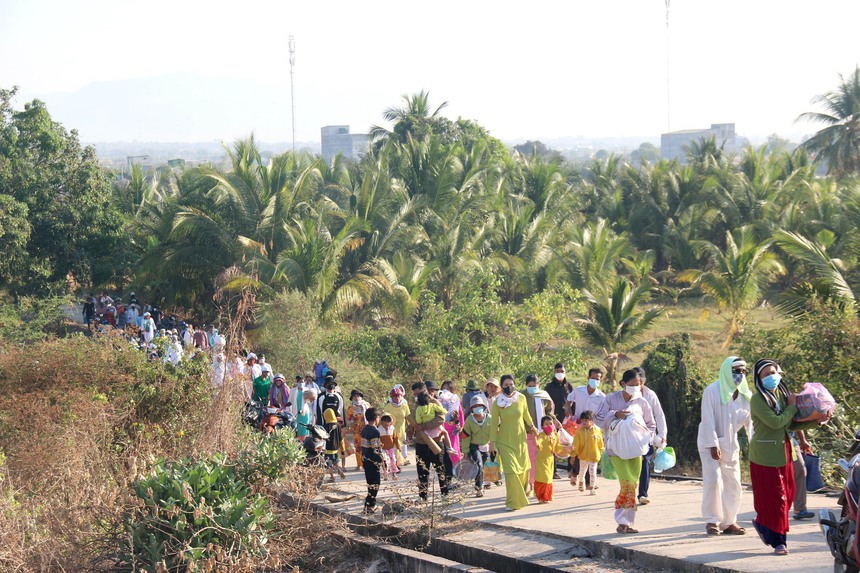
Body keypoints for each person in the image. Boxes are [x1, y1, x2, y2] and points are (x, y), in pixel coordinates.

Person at [749, 359, 831, 555]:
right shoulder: (757, 400)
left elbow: (790, 425)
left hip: (785, 452)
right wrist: (793, 406)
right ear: (759, 379)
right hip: (764, 456)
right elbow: (776, 422)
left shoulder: (781, 395)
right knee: (775, 498)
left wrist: (817, 422)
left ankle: (763, 525)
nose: (772, 376)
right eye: (767, 373)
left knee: (787, 496)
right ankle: (779, 541)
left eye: (775, 371)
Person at [596, 369, 656, 534]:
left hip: (636, 450)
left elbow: (651, 424)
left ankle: (627, 523)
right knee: (627, 484)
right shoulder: (610, 399)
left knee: (633, 485)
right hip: (616, 450)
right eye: (632, 385)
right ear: (623, 384)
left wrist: (646, 438)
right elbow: (598, 418)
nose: (636, 388)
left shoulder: (642, 402)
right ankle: (622, 522)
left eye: (638, 385)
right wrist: (615, 414)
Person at [698, 357, 753, 536]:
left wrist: (756, 446)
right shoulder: (712, 391)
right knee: (713, 481)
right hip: (709, 443)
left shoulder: (746, 396)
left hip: (731, 444)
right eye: (736, 371)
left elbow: (751, 425)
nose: (740, 375)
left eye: (743, 371)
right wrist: (713, 444)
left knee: (734, 483)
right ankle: (712, 521)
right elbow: (707, 419)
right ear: (726, 370)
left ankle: (729, 522)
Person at [489, 375, 538, 511]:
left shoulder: (521, 398)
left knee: (523, 469)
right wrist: (492, 443)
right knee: (511, 472)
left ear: (515, 384)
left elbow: (526, 414)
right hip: (504, 441)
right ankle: (513, 502)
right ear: (501, 386)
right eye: (505, 384)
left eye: (511, 384)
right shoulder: (498, 402)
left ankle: (520, 497)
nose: (508, 386)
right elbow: (494, 424)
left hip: (520, 440)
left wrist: (532, 426)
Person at [568, 367, 607, 486]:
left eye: (597, 379)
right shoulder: (579, 390)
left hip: (593, 429)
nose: (595, 380)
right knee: (577, 450)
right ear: (588, 377)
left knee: (591, 452)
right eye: (593, 378)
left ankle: (590, 481)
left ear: (601, 380)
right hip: (578, 426)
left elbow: (603, 412)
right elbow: (569, 400)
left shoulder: (601, 396)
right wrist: (569, 411)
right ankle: (574, 473)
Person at [635, 365, 667, 505]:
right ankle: (628, 490)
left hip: (647, 435)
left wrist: (663, 434)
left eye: (639, 382)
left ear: (644, 381)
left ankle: (642, 494)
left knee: (645, 462)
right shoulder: (624, 394)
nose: (637, 385)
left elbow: (659, 415)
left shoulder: (650, 395)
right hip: (629, 435)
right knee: (631, 463)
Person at [413, 389, 451, 500]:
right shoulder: (417, 405)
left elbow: (440, 419)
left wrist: (423, 426)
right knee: (422, 470)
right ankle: (423, 495)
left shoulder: (435, 403)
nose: (416, 396)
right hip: (421, 442)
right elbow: (415, 421)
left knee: (440, 468)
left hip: (436, 441)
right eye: (415, 394)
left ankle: (444, 493)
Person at [523, 374, 554, 496]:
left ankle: (539, 486)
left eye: (534, 385)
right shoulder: (522, 396)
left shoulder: (544, 396)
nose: (532, 388)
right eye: (530, 386)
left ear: (538, 384)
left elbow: (549, 412)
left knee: (541, 461)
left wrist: (553, 423)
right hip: (528, 433)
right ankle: (529, 485)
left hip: (544, 433)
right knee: (530, 460)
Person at [461, 396, 493, 497]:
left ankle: (486, 481)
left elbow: (496, 432)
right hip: (475, 447)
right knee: (478, 464)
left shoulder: (490, 419)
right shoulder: (469, 420)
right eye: (475, 406)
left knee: (484, 466)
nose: (477, 408)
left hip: (487, 446)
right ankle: (479, 487)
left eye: (479, 406)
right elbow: (465, 436)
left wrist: (495, 445)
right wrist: (465, 451)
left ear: (483, 407)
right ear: (471, 409)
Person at [545, 363, 573, 479]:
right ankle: (553, 470)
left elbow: (572, 401)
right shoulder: (549, 387)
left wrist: (571, 412)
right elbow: (546, 404)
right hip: (553, 419)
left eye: (561, 370)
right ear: (554, 372)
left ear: (565, 371)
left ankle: (571, 470)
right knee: (553, 444)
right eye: (557, 371)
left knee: (568, 443)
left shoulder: (569, 386)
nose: (559, 373)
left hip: (566, 420)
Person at [573, 410, 604, 494]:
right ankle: (581, 482)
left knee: (593, 472)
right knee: (582, 471)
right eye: (582, 420)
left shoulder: (597, 431)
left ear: (592, 421)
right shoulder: (580, 432)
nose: (584, 422)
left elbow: (600, 443)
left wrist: (601, 452)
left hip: (594, 456)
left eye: (586, 420)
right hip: (583, 456)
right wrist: (573, 454)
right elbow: (575, 444)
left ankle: (592, 488)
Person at [535, 416, 564, 503]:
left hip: (550, 460)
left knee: (549, 479)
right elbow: (538, 444)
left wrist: (567, 448)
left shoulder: (554, 435)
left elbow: (557, 447)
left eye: (550, 424)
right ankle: (542, 496)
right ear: (542, 426)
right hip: (542, 460)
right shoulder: (542, 436)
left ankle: (547, 496)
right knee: (544, 478)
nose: (549, 425)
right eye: (546, 424)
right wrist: (534, 439)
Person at [360, 408, 384, 513]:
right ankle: (370, 505)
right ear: (376, 418)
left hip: (365, 459)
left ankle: (368, 504)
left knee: (370, 483)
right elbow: (375, 449)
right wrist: (381, 460)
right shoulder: (375, 431)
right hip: (373, 461)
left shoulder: (364, 429)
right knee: (375, 483)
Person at [383, 386, 411, 466]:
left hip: (401, 431)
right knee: (393, 449)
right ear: (392, 397)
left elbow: (409, 418)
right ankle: (395, 465)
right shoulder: (388, 407)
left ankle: (397, 464)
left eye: (399, 396)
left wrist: (410, 429)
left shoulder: (404, 406)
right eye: (395, 396)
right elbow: (384, 419)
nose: (397, 398)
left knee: (399, 448)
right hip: (391, 432)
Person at [791, 430, 815, 520]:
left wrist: (803, 440)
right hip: (771, 443)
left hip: (790, 441)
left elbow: (797, 420)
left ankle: (800, 509)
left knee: (800, 470)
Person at [438, 387, 464, 465]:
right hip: (441, 428)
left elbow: (460, 414)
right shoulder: (438, 401)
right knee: (443, 449)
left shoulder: (455, 401)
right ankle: (446, 468)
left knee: (454, 448)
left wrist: (461, 426)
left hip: (453, 429)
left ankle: (455, 468)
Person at [346, 390, 370, 470]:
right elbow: (348, 419)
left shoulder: (367, 405)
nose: (356, 398)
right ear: (352, 398)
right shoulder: (351, 408)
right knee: (358, 447)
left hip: (368, 429)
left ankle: (368, 463)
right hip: (357, 430)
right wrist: (350, 423)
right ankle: (359, 464)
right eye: (354, 396)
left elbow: (372, 415)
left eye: (358, 396)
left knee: (368, 446)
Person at [322, 407, 346, 482]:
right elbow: (341, 439)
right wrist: (343, 450)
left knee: (328, 465)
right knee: (335, 462)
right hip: (335, 449)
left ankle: (332, 477)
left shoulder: (324, 427)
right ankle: (339, 470)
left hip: (327, 450)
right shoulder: (338, 426)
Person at [379, 414, 400, 480]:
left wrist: (398, 446)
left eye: (388, 421)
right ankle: (386, 475)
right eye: (385, 421)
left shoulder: (392, 429)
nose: (386, 423)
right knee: (385, 462)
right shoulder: (379, 429)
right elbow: (377, 439)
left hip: (391, 448)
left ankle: (394, 474)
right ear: (381, 422)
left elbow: (395, 438)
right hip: (383, 449)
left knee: (393, 460)